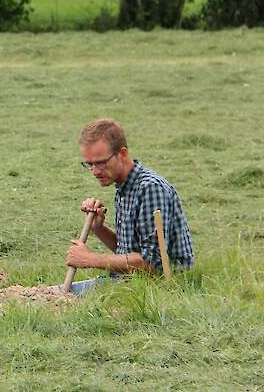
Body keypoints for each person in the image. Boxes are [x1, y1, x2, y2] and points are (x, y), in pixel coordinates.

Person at [64, 118, 195, 295]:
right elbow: (130, 252)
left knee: (52, 301)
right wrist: (99, 228)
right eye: (90, 164)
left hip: (157, 290)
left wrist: (90, 259)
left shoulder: (150, 188)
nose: (95, 171)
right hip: (127, 281)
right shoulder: (124, 187)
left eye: (101, 162)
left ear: (123, 153)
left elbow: (152, 264)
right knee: (48, 297)